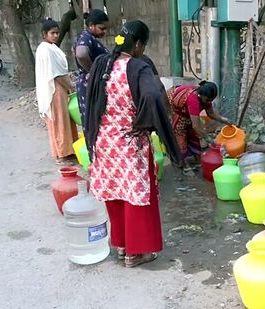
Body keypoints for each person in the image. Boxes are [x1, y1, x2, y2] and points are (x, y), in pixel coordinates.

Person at [84, 20, 182, 268]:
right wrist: (145, 123)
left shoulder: (102, 63)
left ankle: (121, 246)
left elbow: (90, 97)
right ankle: (136, 253)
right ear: (138, 44)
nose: (143, 50)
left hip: (105, 141)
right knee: (136, 195)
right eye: (144, 46)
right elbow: (152, 95)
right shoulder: (138, 67)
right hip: (129, 142)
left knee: (115, 193)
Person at [35, 18, 78, 164]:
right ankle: (62, 153)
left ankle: (69, 150)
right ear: (44, 34)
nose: (55, 36)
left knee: (65, 120)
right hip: (54, 89)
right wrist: (71, 88)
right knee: (59, 120)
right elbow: (56, 74)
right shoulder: (46, 49)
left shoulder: (50, 47)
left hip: (58, 88)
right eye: (52, 33)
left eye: (57, 33)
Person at [167, 81, 231, 175]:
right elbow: (196, 127)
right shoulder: (193, 100)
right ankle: (183, 164)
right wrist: (209, 139)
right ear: (201, 96)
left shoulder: (206, 97)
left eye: (211, 100)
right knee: (180, 133)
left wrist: (225, 120)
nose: (210, 102)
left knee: (193, 132)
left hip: (187, 109)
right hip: (174, 106)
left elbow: (211, 114)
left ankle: (197, 158)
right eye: (208, 100)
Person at [73, 9, 109, 130]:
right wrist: (93, 73)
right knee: (94, 122)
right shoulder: (85, 37)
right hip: (89, 85)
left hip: (90, 84)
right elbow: (81, 54)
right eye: (101, 28)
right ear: (91, 26)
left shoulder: (89, 39)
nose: (104, 31)